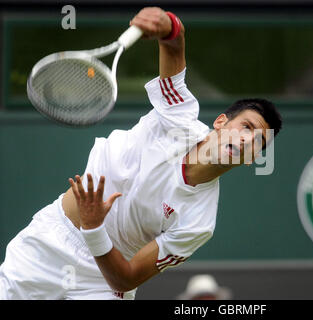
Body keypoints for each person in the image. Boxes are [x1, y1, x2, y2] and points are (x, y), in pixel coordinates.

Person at [0, 7, 282, 300]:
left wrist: (94, 227)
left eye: (257, 141)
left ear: (252, 158)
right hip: (52, 240)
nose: (246, 139)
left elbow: (126, 278)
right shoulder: (179, 116)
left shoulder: (199, 222)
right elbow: (174, 46)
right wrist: (168, 25)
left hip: (103, 281)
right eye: (246, 126)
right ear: (221, 122)